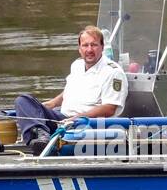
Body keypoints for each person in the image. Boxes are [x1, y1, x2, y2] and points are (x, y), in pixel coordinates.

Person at [14, 25, 127, 153]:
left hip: (86, 125)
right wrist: (51, 103)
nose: (89, 50)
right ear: (79, 49)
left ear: (102, 47)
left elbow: (110, 108)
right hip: (62, 119)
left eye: (94, 45)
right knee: (23, 100)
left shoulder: (113, 72)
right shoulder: (77, 65)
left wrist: (78, 117)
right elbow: (70, 90)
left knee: (32, 113)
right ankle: (41, 136)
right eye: (85, 45)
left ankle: (40, 138)